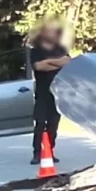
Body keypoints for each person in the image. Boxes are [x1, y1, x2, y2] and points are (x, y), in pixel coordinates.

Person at [28, 20, 70, 165]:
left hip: (57, 93)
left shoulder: (61, 49)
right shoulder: (35, 51)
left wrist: (49, 62)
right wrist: (56, 63)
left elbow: (68, 62)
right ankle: (37, 153)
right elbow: (39, 66)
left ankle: (50, 150)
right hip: (42, 93)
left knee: (53, 123)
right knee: (40, 123)